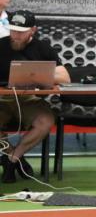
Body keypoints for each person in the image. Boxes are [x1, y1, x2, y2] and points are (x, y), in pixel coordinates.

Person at [0, 10, 70, 182]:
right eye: (13, 30)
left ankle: (12, 159)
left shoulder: (43, 48)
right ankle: (13, 156)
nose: (15, 36)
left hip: (29, 100)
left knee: (46, 121)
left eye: (21, 32)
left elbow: (65, 78)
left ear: (33, 30)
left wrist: (35, 75)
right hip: (1, 99)